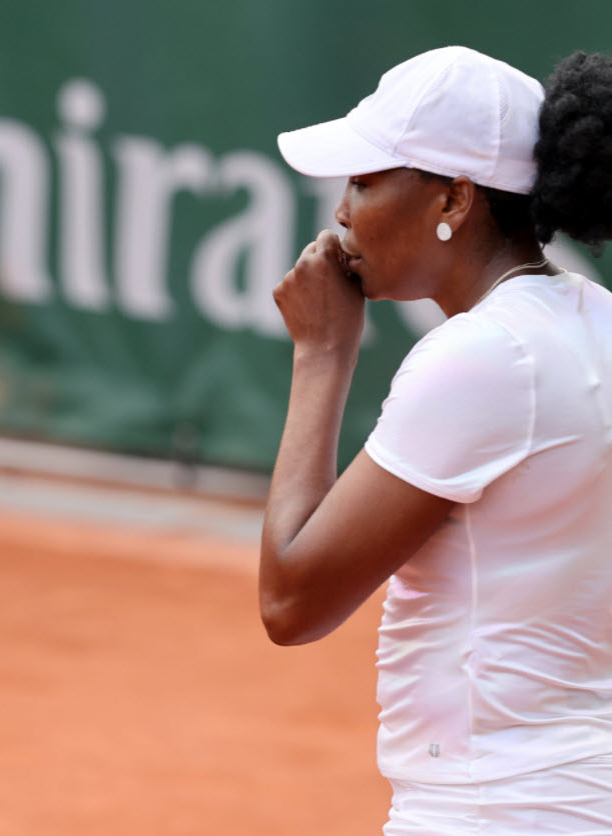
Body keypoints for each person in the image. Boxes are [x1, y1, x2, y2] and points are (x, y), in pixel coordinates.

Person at [260, 46, 612, 834]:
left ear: (453, 199)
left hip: (490, 806)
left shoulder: (482, 358)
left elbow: (290, 600)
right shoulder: (596, 319)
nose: (342, 213)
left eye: (364, 182)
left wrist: (321, 354)